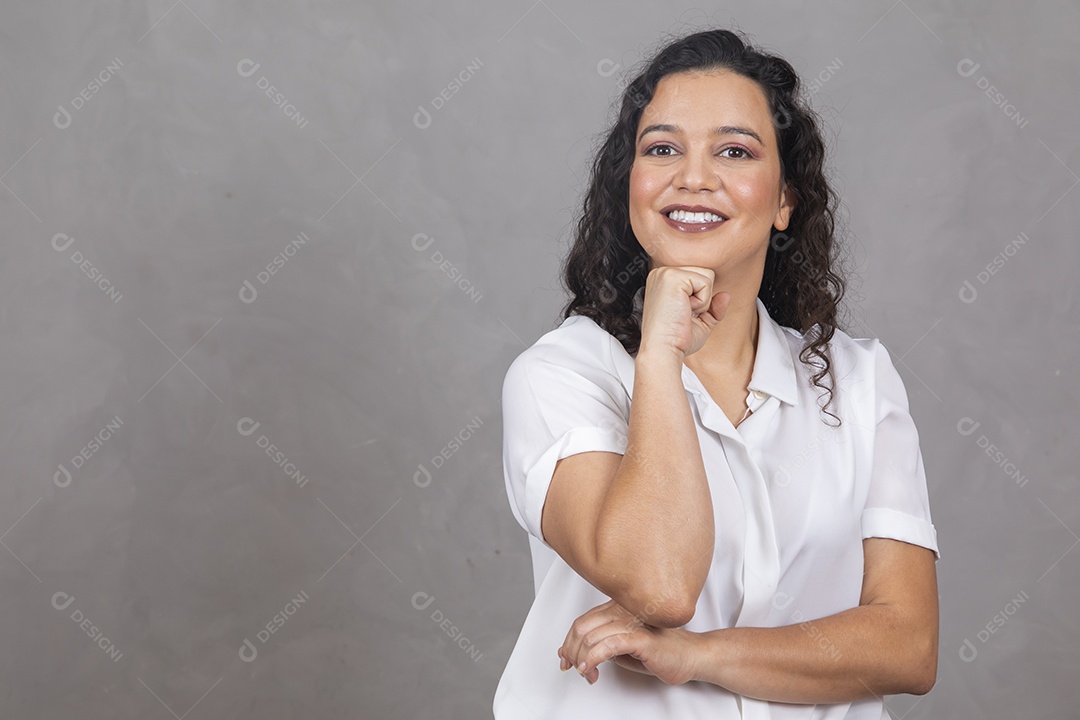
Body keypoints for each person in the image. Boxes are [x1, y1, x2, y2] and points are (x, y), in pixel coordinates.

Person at [494, 27, 940, 720]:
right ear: (631, 187)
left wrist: (699, 655)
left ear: (785, 198)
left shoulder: (859, 381)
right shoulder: (558, 377)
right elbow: (661, 584)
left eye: (734, 151)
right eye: (662, 149)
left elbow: (907, 647)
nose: (693, 177)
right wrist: (660, 357)